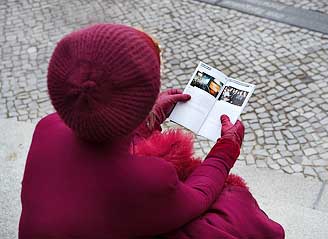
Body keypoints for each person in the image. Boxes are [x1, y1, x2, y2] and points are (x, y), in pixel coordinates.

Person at [19, 24, 284, 239]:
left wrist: (147, 119)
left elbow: (98, 141)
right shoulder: (148, 179)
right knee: (233, 210)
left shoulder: (46, 128)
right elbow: (200, 197)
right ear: (141, 102)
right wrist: (226, 148)